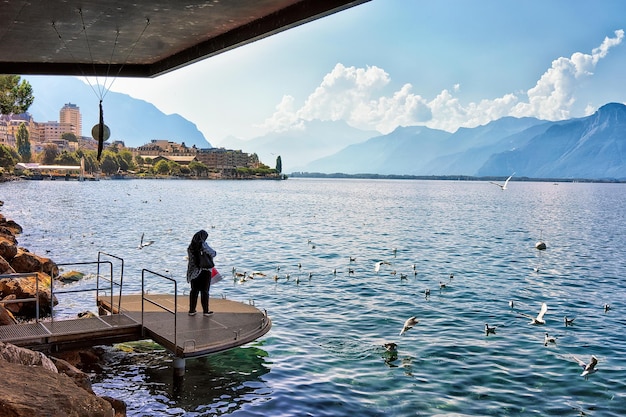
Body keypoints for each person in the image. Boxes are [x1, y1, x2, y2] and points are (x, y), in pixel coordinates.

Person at [186, 230, 217, 316]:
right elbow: (213, 253)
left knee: (194, 291)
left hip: (193, 272)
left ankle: (192, 310)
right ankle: (206, 311)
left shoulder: (190, 247)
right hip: (205, 271)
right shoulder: (203, 245)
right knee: (205, 291)